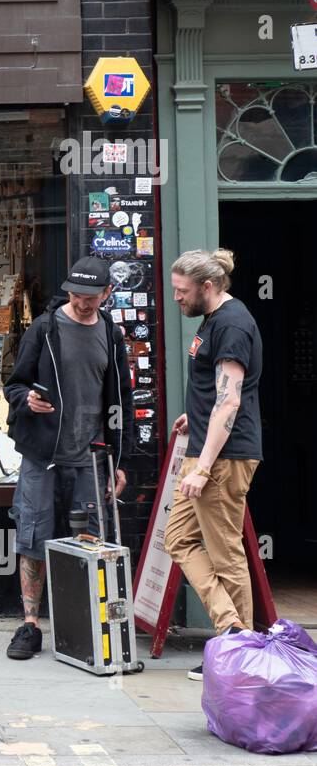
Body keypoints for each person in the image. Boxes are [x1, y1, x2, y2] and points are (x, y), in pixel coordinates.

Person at [2, 256, 134, 660]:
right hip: (41, 455)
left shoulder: (111, 334)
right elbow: (13, 385)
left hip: (89, 456)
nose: (82, 303)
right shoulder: (44, 329)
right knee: (33, 537)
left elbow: (121, 402)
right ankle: (29, 626)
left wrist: (122, 462)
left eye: (91, 296)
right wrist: (27, 400)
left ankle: (86, 626)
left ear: (106, 294)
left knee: (91, 539)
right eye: (76, 295)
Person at [166, 249, 262, 681]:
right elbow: (214, 394)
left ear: (208, 287)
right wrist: (195, 412)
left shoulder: (232, 324)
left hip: (220, 461)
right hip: (205, 451)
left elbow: (231, 399)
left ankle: (241, 656)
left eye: (182, 291)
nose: (176, 299)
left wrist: (203, 468)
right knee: (178, 539)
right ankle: (232, 629)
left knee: (226, 557)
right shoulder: (211, 320)